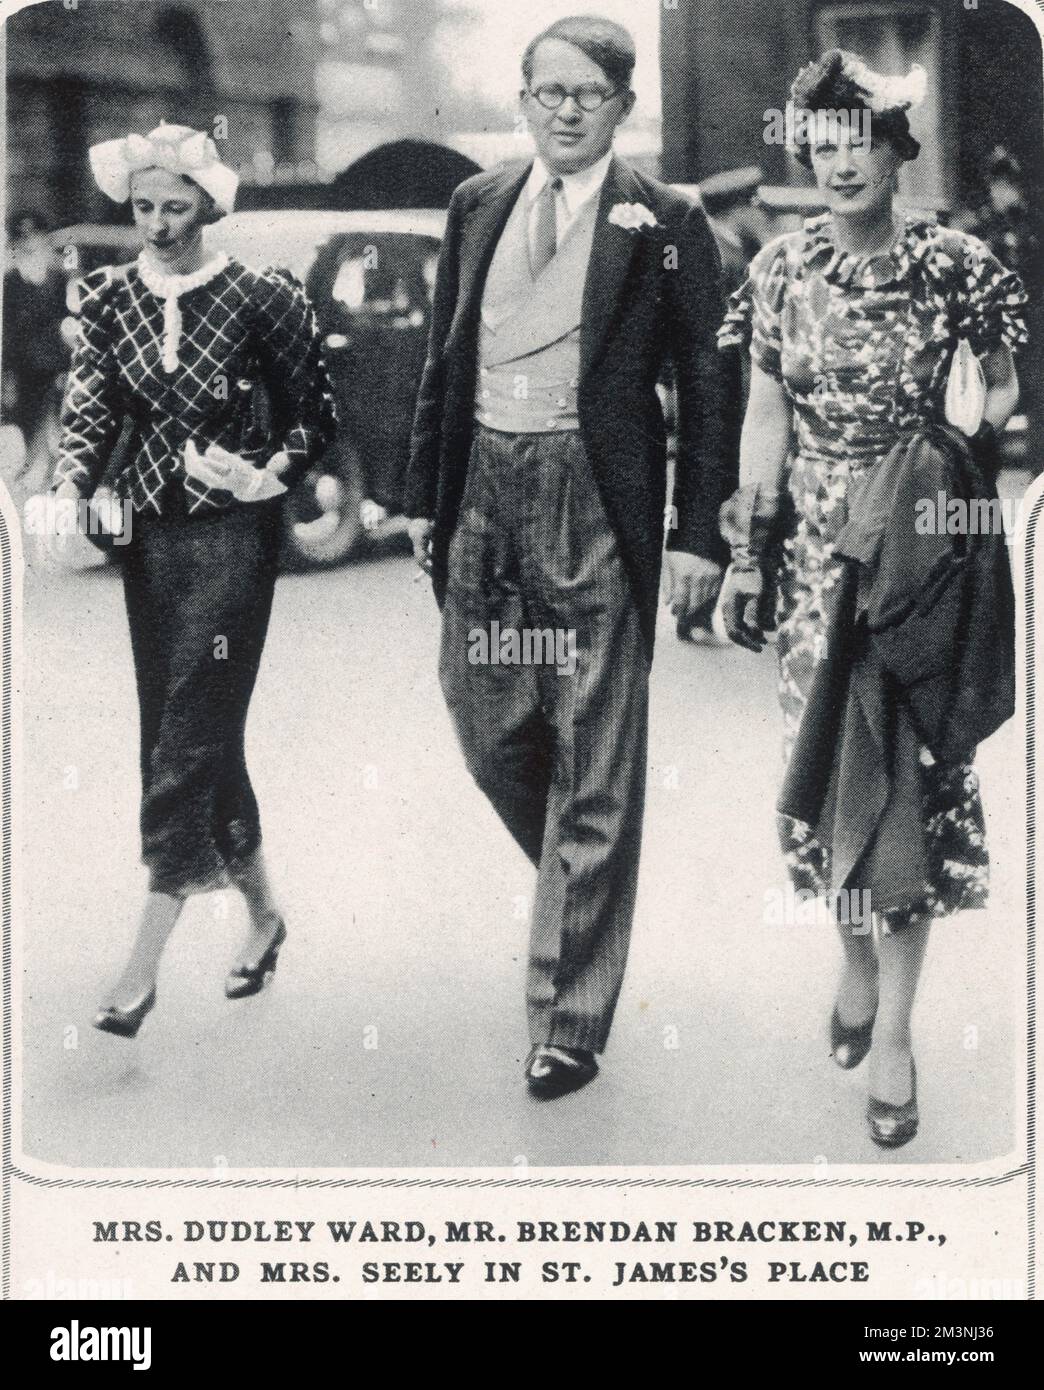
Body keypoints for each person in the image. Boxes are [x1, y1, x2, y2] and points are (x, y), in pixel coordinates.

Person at [406, 15, 739, 1098]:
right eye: (544, 90)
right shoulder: (478, 202)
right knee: (486, 720)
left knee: (597, 752)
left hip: (597, 496)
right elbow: (442, 359)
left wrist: (699, 536)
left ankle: (570, 1017)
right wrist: (424, 497)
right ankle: (579, 878)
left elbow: (709, 382)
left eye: (584, 94)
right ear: (523, 98)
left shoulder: (669, 220)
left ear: (622, 107)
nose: (561, 109)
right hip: (483, 493)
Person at [718, 52, 1026, 1147]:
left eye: (863, 140)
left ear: (900, 150)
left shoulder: (960, 267)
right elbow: (763, 409)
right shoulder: (779, 272)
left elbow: (1003, 388)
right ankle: (852, 964)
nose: (842, 160)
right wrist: (749, 545)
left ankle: (894, 1030)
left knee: (912, 790)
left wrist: (956, 442)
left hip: (921, 559)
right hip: (813, 565)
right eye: (823, 142)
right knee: (824, 784)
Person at [50, 124, 336, 1037]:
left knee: (187, 735)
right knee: (185, 735)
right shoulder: (106, 299)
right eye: (144, 209)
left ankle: (142, 963)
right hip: (153, 544)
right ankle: (263, 915)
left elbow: (313, 416)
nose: (159, 225)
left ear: (211, 207)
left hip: (235, 542)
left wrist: (270, 473)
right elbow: (90, 407)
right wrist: (70, 489)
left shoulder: (261, 298)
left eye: (177, 208)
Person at [2, 210, 70, 489]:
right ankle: (31, 464)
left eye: (36, 240)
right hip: (22, 364)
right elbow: (7, 329)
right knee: (25, 416)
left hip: (53, 361)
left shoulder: (57, 279)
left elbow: (65, 318)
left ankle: (44, 468)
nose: (30, 245)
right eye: (23, 242)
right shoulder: (11, 282)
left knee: (50, 417)